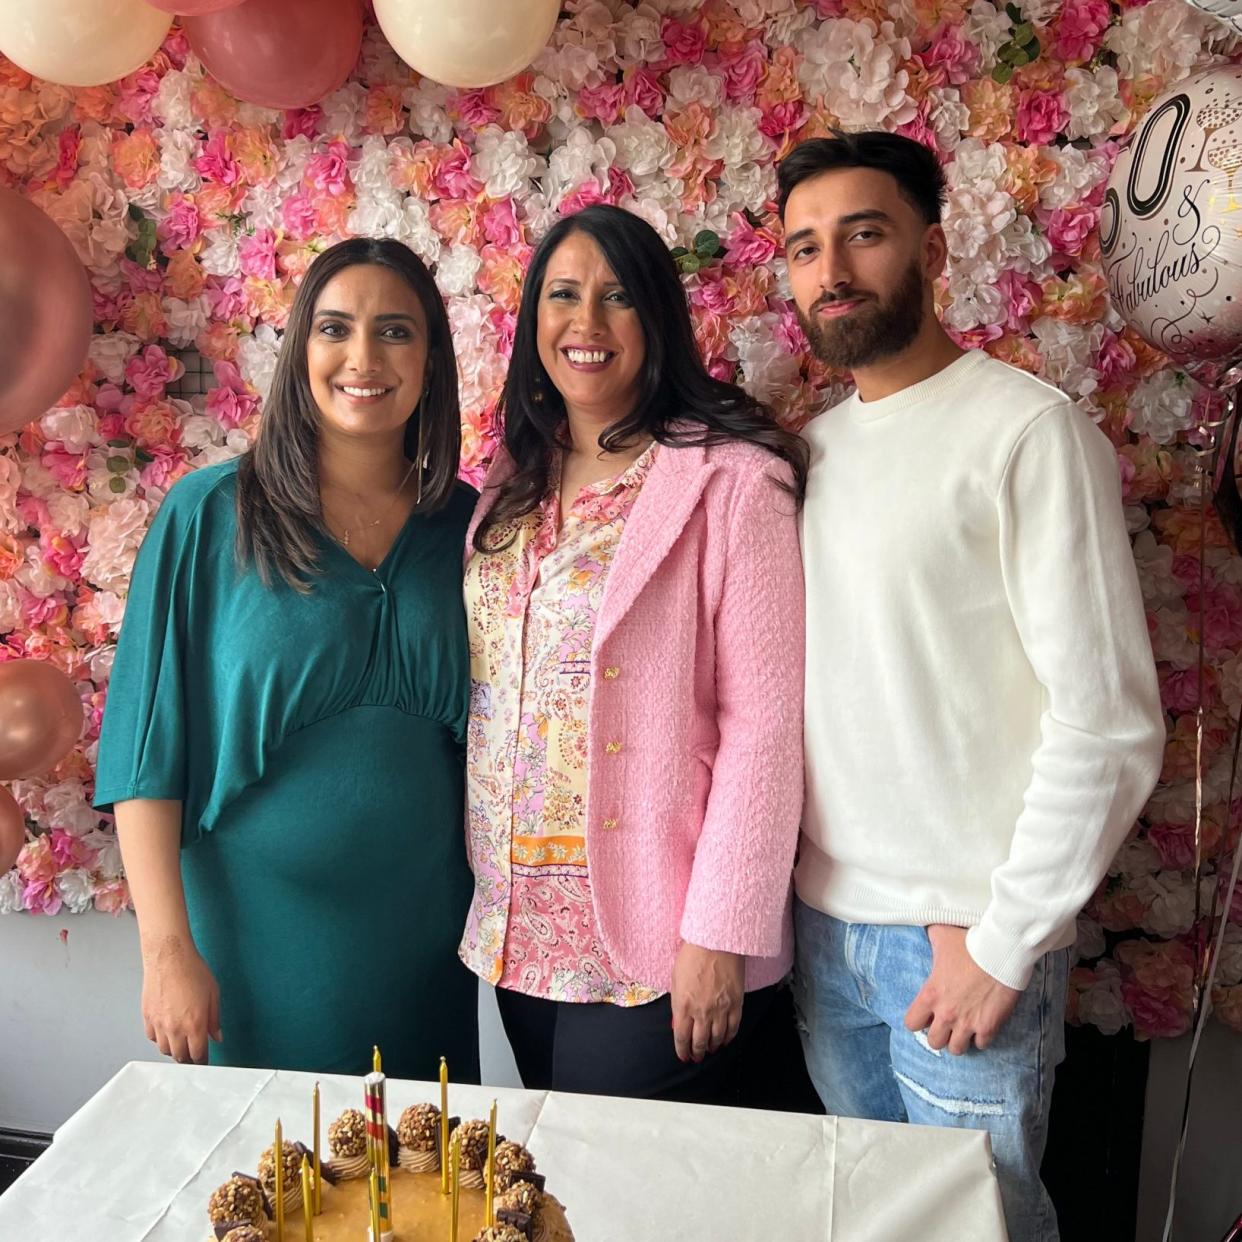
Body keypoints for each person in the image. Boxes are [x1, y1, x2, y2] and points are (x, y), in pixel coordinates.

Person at [781, 131, 1165, 1242]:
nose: (833, 270)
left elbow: (1109, 723)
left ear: (932, 248)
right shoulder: (813, 453)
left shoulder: (1028, 434)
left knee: (977, 1229)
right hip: (827, 937)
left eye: (864, 233)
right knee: (868, 1220)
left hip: (957, 941)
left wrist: (1003, 942)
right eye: (805, 248)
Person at [94, 238, 481, 1080]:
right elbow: (143, 753)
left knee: (422, 1193)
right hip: (255, 956)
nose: (363, 358)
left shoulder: (470, 526)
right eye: (335, 328)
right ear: (302, 347)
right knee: (271, 1192)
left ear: (431, 361)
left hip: (425, 953)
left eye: (396, 332)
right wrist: (167, 953)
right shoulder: (208, 516)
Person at [460, 203, 807, 1102]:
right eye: (564, 295)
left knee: (620, 1197)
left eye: (618, 297)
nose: (587, 323)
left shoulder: (733, 479)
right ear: (533, 317)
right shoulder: (510, 483)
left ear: (658, 321)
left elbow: (764, 726)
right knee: (555, 1192)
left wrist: (721, 933)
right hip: (516, 924)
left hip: (661, 929)